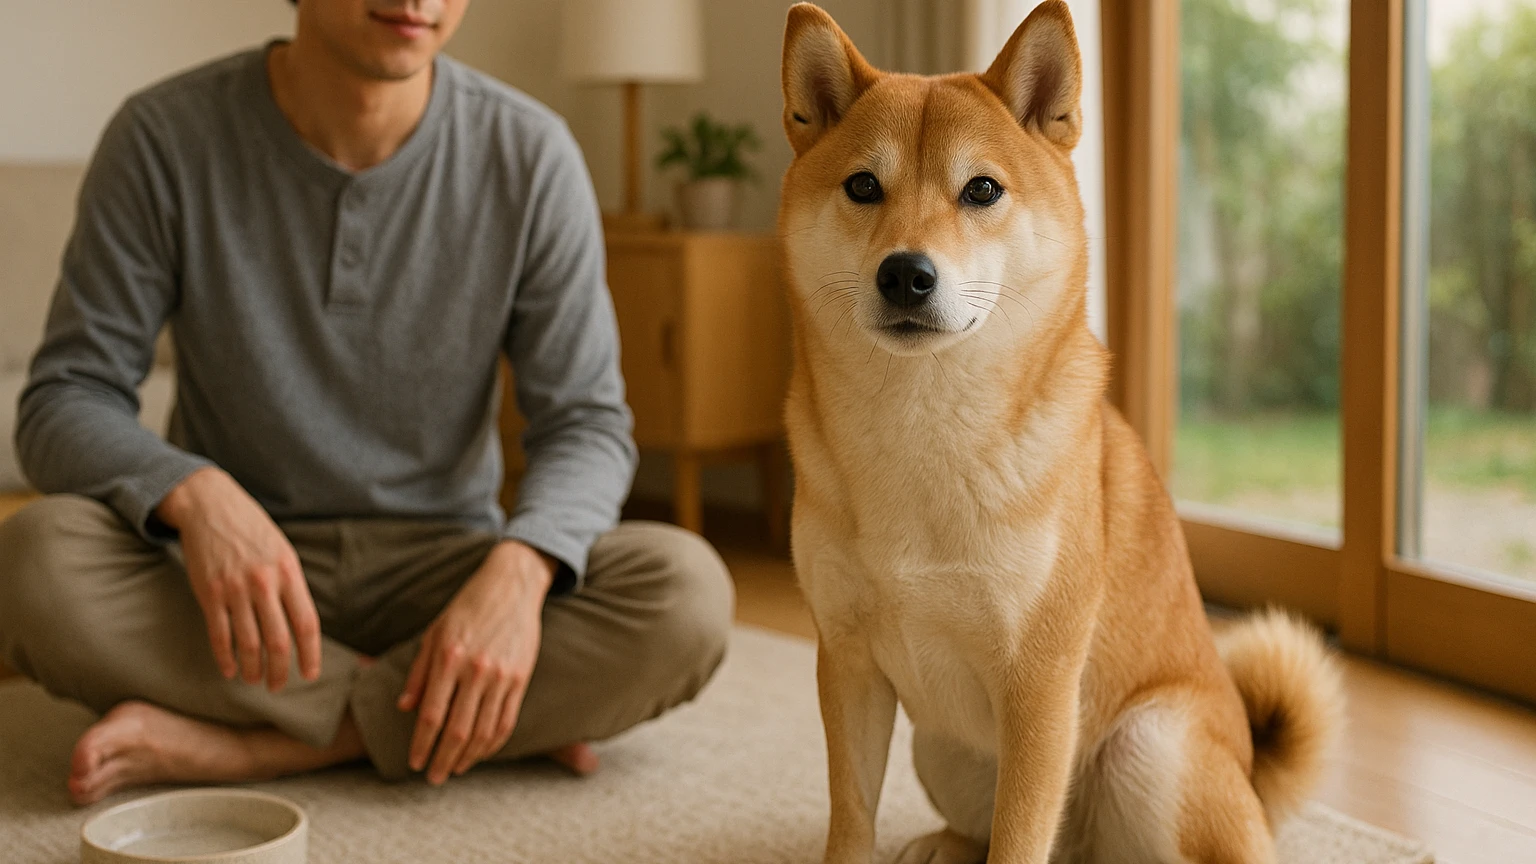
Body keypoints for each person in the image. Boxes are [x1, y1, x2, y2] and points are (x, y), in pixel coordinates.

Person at [0, 0, 734, 806]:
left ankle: (262, 746)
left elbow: (586, 425)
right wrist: (195, 496)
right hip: (233, 586)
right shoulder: (161, 139)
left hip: (447, 572)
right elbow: (65, 396)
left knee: (686, 596)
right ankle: (452, 716)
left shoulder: (532, 154)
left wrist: (521, 574)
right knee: (34, 562)